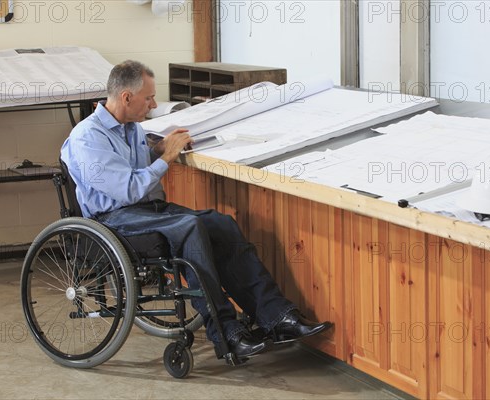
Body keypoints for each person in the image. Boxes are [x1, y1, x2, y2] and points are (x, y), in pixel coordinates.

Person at [61, 60, 331, 359]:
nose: (153, 105)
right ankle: (226, 332)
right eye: (148, 98)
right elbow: (127, 189)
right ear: (126, 97)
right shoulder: (87, 138)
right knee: (189, 227)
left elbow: (128, 167)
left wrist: (157, 149)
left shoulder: (131, 128)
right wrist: (167, 158)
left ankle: (277, 316)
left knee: (220, 223)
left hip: (147, 209)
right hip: (113, 220)